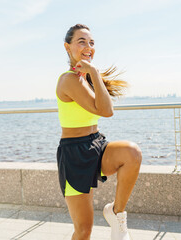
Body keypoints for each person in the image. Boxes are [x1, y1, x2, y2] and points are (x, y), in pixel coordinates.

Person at [56, 24, 142, 240]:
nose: (88, 47)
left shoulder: (87, 77)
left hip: (96, 144)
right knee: (84, 231)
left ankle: (116, 213)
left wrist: (92, 74)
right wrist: (93, 71)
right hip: (74, 154)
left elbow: (106, 109)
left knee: (131, 153)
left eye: (91, 43)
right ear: (67, 47)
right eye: (81, 42)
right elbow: (106, 111)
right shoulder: (68, 80)